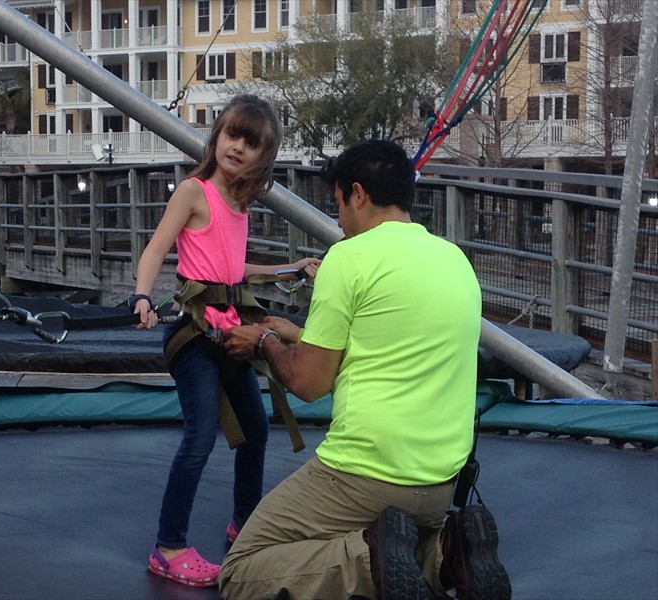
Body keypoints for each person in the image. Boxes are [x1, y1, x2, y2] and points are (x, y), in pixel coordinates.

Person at [219, 139, 512, 600]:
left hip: (364, 475)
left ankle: (368, 563)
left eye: (337, 204)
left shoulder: (348, 258)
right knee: (378, 537)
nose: (338, 219)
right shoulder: (454, 260)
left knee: (241, 571)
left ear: (357, 193)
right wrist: (298, 334)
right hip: (439, 484)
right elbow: (385, 340)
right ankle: (444, 552)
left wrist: (266, 340)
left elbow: (307, 383)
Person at [131, 94, 321, 588]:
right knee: (199, 436)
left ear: (263, 157)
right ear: (217, 136)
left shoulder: (240, 205)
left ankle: (245, 525)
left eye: (250, 143)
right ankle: (168, 546)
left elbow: (235, 273)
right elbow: (156, 248)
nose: (237, 148)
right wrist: (142, 297)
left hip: (231, 332)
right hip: (195, 334)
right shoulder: (194, 192)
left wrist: (290, 268)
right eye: (232, 135)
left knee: (255, 431)